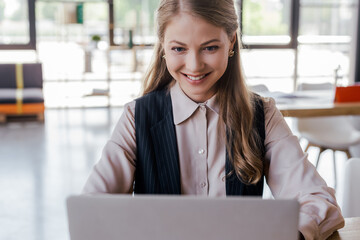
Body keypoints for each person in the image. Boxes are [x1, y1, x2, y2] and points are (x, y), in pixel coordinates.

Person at [82, 0, 344, 239]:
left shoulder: (262, 115)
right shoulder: (135, 118)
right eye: (178, 48)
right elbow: (92, 207)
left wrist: (292, 233)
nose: (194, 65)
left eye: (209, 47)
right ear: (163, 45)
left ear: (231, 42)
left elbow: (317, 200)